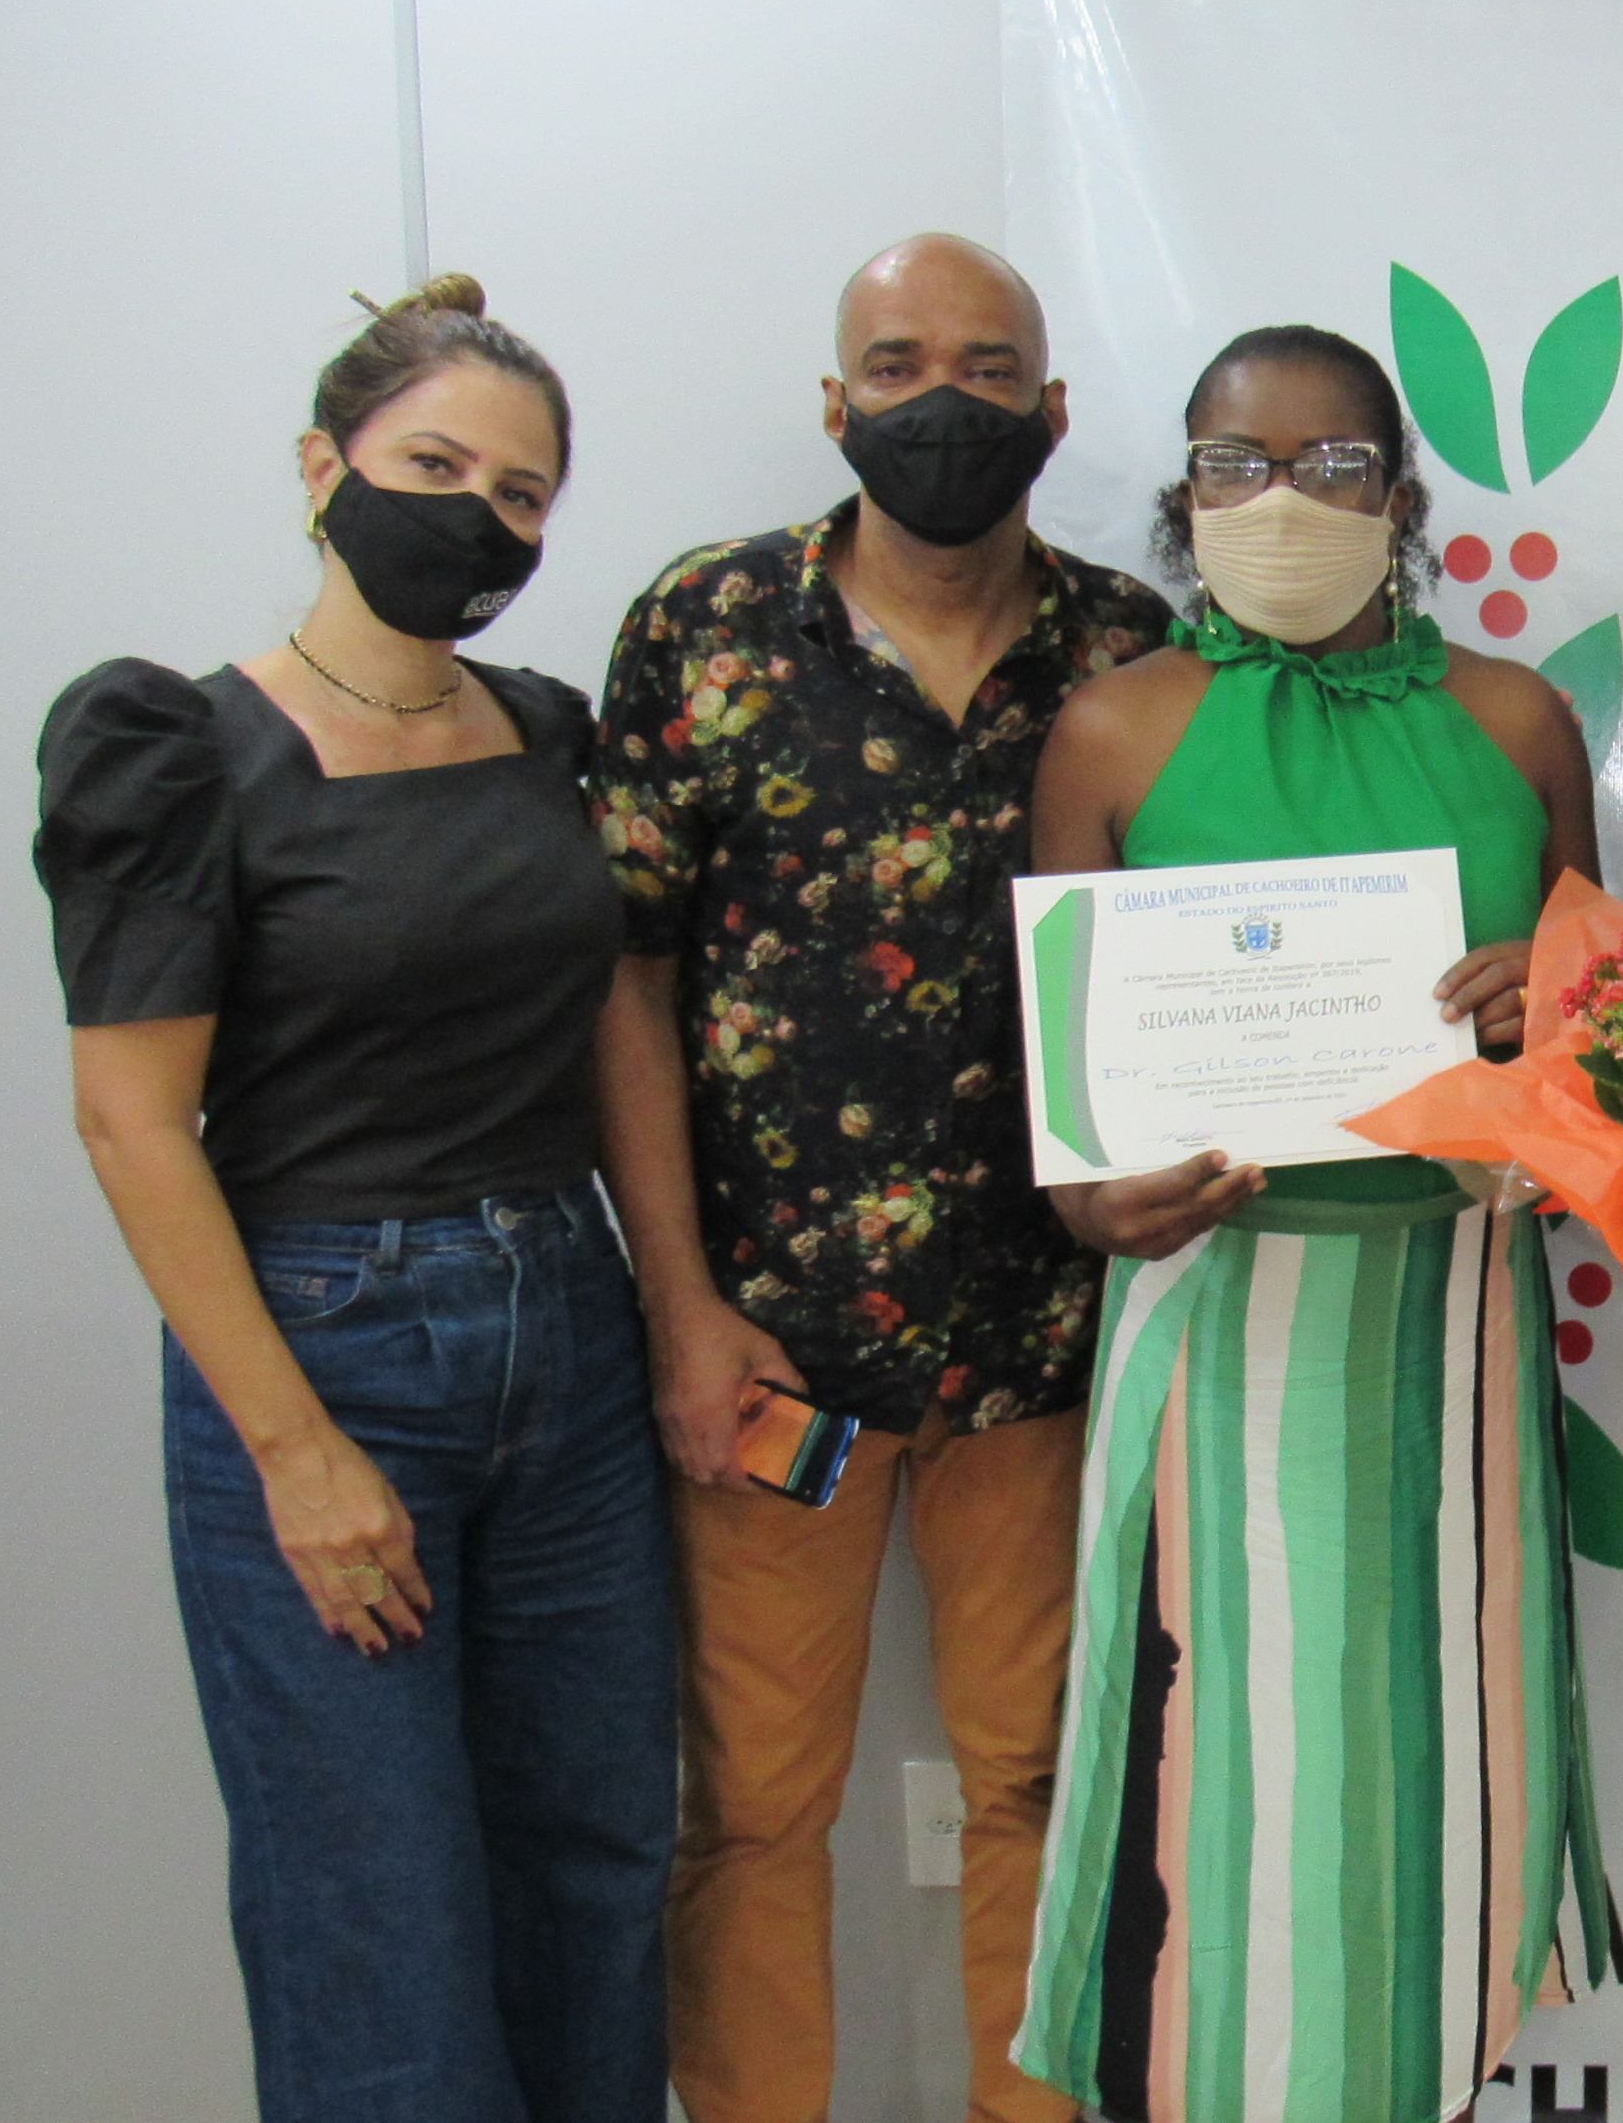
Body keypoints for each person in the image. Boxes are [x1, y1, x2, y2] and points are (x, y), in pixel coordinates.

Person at [36, 275, 673, 2122]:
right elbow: (131, 1122)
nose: (481, 516)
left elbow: (610, 1029)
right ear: (325, 468)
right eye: (436, 466)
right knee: (373, 1905)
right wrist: (295, 1453)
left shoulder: (547, 734)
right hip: (326, 1343)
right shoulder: (176, 750)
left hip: (569, 1326)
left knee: (596, 1868)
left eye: (524, 493)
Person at [590, 233, 1173, 2123]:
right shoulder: (705, 625)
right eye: (900, 363)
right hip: (771, 1347)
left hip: (1050, 1332)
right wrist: (679, 1303)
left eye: (989, 367)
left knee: (1047, 1785)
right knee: (757, 1807)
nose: (945, 401)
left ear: (1053, 410)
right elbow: (627, 973)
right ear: (834, 402)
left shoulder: (1131, 649)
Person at [1007, 323, 1606, 2123]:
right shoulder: (1111, 728)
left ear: (1402, 500)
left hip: (1453, 1324)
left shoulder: (1518, 722)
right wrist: (1096, 1202)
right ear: (1185, 493)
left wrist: (1546, 1020)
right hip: (1217, 1326)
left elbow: (1604, 1068)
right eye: (1236, 464)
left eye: (1334, 466)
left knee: (1439, 1770)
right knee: (1215, 1792)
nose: (1282, 500)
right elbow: (1068, 1098)